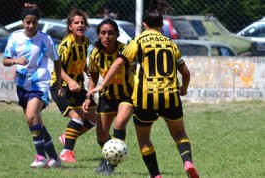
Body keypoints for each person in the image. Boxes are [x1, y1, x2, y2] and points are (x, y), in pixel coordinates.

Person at [86, 0, 200, 177]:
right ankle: (187, 161)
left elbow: (118, 62)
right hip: (171, 95)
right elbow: (185, 72)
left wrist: (102, 83)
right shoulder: (170, 43)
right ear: (161, 25)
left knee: (144, 138)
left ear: (144, 25)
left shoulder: (138, 41)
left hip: (145, 97)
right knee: (179, 134)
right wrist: (183, 88)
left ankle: (155, 175)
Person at [2, 3, 64, 168]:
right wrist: (15, 60)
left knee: (31, 115)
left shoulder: (45, 39)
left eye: (34, 22)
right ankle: (54, 159)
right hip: (22, 85)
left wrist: (58, 83)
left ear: (38, 22)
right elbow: (5, 60)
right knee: (35, 123)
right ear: (23, 21)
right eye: (27, 22)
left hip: (40, 84)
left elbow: (56, 61)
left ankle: (40, 157)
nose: (30, 25)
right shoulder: (14, 37)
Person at [82, 19, 134, 175]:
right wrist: (88, 96)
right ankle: (108, 158)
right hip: (106, 97)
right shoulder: (95, 54)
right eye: (103, 33)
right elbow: (93, 76)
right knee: (101, 136)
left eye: (111, 33)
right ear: (98, 35)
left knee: (119, 124)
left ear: (117, 34)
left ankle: (112, 164)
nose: (107, 36)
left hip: (127, 96)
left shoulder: (125, 51)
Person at [49, 7, 97, 163]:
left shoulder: (85, 42)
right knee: (77, 116)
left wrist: (86, 69)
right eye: (76, 22)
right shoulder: (65, 45)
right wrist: (69, 81)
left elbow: (79, 61)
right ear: (70, 26)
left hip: (78, 87)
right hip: (60, 86)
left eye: (82, 22)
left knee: (94, 118)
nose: (80, 25)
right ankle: (66, 152)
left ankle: (67, 137)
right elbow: (58, 67)